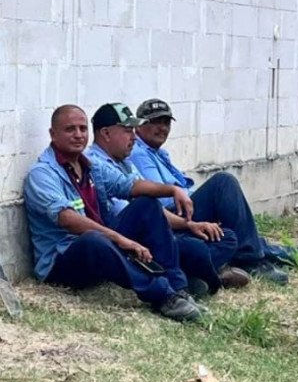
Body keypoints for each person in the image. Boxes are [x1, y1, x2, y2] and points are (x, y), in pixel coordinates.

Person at [129, 98, 298, 285]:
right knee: (224, 183)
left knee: (258, 244)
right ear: (140, 125)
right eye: (155, 122)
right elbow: (162, 199)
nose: (162, 128)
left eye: (166, 122)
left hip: (184, 212)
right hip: (174, 217)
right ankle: (256, 259)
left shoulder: (158, 153)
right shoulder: (137, 152)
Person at [24, 105, 209, 322]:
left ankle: (178, 289)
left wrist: (172, 189)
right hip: (64, 259)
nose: (78, 135)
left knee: (146, 205)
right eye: (70, 129)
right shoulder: (42, 173)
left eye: (83, 129)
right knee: (93, 239)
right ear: (52, 134)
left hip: (102, 245)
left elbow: (128, 185)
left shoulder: (90, 165)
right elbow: (68, 219)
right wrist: (121, 239)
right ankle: (162, 295)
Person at [83, 103, 250, 298]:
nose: (133, 137)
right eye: (128, 131)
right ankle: (205, 278)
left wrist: (190, 225)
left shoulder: (126, 162)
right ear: (106, 134)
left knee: (226, 237)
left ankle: (192, 275)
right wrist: (173, 191)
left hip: (156, 232)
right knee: (195, 248)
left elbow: (154, 211)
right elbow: (140, 210)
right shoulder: (95, 164)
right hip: (132, 241)